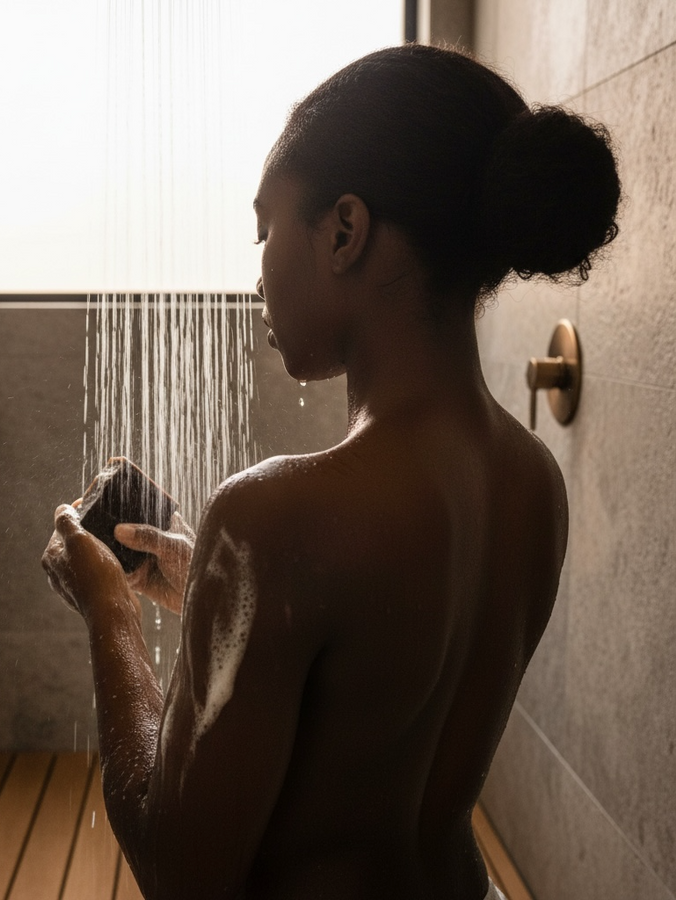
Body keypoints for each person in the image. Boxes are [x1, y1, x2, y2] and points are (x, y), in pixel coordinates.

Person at [42, 43, 620, 900]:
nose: (260, 265)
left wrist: (110, 614)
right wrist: (219, 589)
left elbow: (178, 869)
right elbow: (373, 713)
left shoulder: (274, 517)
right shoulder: (534, 481)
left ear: (344, 231)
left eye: (265, 227)